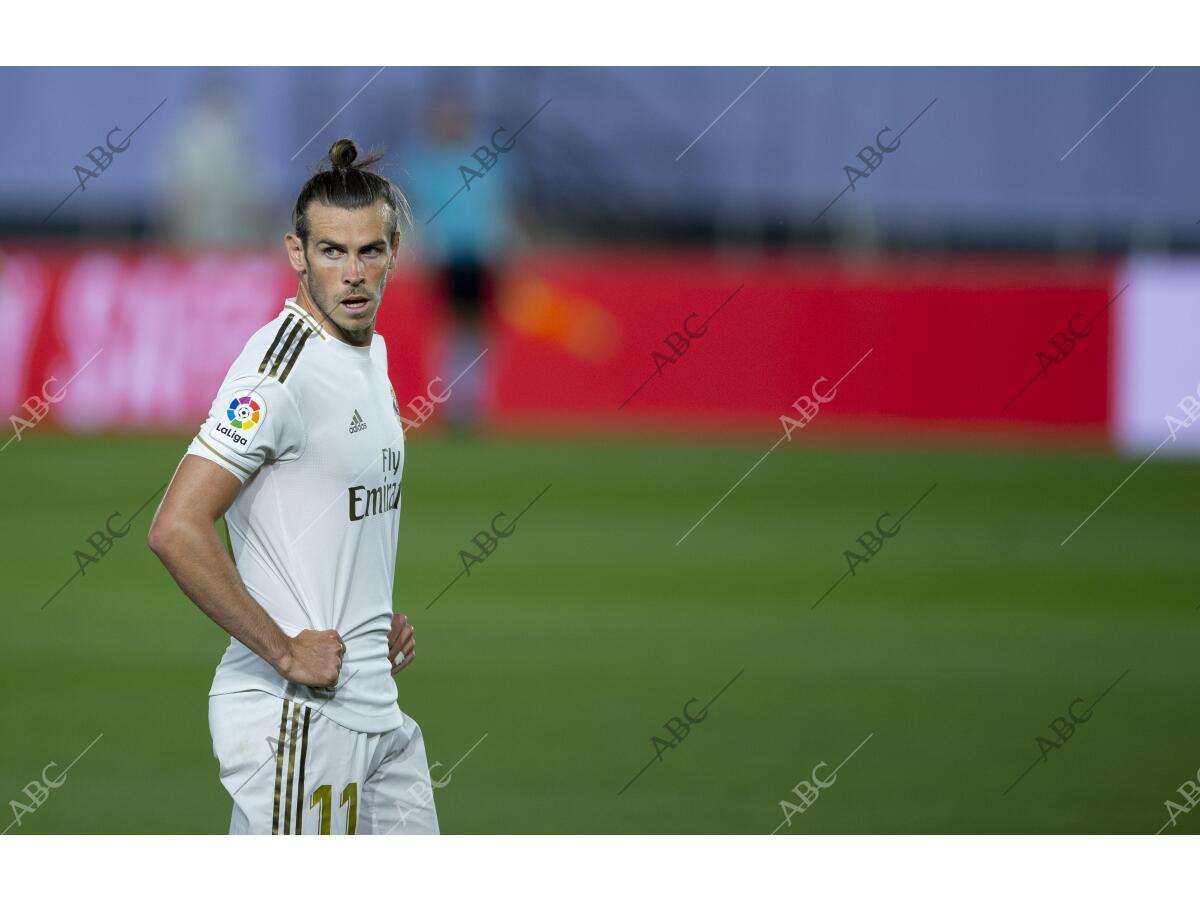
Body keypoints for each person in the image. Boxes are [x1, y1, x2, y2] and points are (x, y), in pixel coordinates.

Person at [148, 138, 438, 834]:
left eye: (369, 250)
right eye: (332, 251)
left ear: (395, 250)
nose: (354, 273)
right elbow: (175, 528)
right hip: (297, 720)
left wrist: (369, 623)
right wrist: (284, 650)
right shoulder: (278, 372)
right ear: (296, 253)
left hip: (374, 713)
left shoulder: (369, 354)